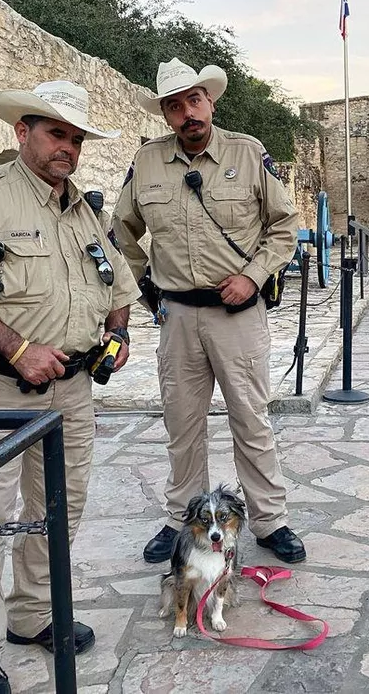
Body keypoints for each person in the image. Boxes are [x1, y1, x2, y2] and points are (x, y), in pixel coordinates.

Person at [0, 80, 141, 694]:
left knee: (58, 512)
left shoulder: (83, 210)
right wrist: (16, 347)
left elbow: (117, 286)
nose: (67, 147)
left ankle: (33, 614)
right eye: (55, 133)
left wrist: (116, 336)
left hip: (71, 391)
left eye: (75, 137)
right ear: (23, 133)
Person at [110, 58, 306, 566]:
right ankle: (182, 518)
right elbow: (122, 234)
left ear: (210, 102)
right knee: (182, 423)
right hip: (177, 315)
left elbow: (283, 225)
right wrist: (136, 292)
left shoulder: (247, 152)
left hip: (236, 314)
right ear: (166, 114)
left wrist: (254, 276)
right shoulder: (148, 162)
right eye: (174, 106)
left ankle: (269, 520)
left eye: (194, 101)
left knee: (251, 419)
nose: (187, 113)